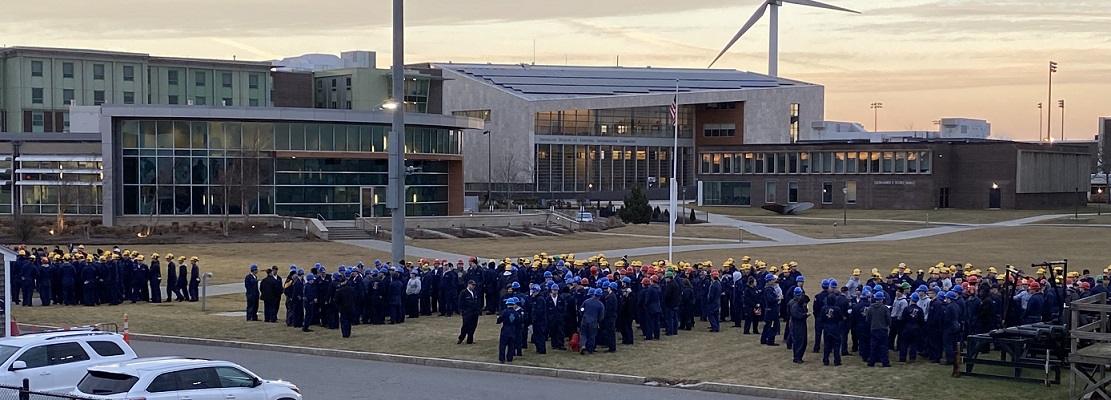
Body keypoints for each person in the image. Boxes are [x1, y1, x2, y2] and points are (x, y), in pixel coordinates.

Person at [866, 291, 892, 367]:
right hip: (883, 329)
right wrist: (889, 325)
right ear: (882, 299)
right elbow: (888, 319)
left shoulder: (870, 308)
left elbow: (868, 319)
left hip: (874, 329)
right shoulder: (884, 308)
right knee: (884, 347)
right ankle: (885, 362)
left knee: (873, 346)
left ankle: (871, 362)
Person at [899, 292, 926, 362]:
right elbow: (921, 321)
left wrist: (902, 328)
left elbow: (903, 319)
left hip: (906, 328)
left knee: (904, 343)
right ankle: (912, 357)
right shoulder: (920, 310)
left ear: (911, 299)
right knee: (914, 344)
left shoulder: (906, 309)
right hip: (916, 329)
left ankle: (902, 357)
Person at [579, 288, 605, 355]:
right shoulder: (600, 304)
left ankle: (583, 345)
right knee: (592, 336)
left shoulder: (586, 301)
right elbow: (601, 315)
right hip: (593, 322)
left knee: (583, 334)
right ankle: (590, 350)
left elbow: (581, 309)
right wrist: (598, 321)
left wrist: (583, 315)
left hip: (584, 320)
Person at [821, 295, 844, 366]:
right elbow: (841, 318)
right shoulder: (837, 309)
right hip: (835, 327)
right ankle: (837, 360)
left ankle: (825, 360)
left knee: (827, 345)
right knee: (836, 345)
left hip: (827, 327)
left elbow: (822, 318)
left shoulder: (824, 308)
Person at [497, 297, 522, 363]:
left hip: (505, 330)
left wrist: (498, 319)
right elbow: (518, 322)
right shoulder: (516, 313)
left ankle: (502, 358)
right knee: (511, 345)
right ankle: (509, 358)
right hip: (513, 330)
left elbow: (499, 320)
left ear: (507, 304)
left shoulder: (505, 312)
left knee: (502, 345)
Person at [789, 288, 809, 363]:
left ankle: (799, 356)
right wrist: (805, 315)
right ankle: (797, 357)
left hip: (802, 326)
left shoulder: (801, 306)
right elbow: (796, 315)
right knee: (798, 342)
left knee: (803, 342)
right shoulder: (795, 307)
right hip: (796, 327)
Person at [458, 280, 481, 344]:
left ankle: (470, 339)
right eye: (472, 285)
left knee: (473, 326)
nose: (473, 286)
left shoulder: (475, 292)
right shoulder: (463, 292)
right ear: (468, 285)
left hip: (475, 312)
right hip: (467, 312)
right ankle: (461, 338)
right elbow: (461, 303)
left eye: (474, 285)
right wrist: (463, 310)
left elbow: (478, 301)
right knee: (465, 325)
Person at [761, 274, 781, 346]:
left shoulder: (769, 289)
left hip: (770, 310)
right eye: (772, 280)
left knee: (767, 325)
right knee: (771, 325)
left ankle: (764, 339)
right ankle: (770, 340)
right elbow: (770, 300)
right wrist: (778, 299)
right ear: (769, 281)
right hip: (771, 311)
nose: (774, 281)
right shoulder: (768, 290)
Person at [335, 274, 356, 338]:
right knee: (349, 321)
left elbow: (336, 300)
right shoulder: (351, 289)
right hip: (350, 307)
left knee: (344, 320)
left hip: (343, 307)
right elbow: (354, 297)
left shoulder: (340, 290)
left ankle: (345, 333)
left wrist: (339, 305)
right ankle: (348, 332)